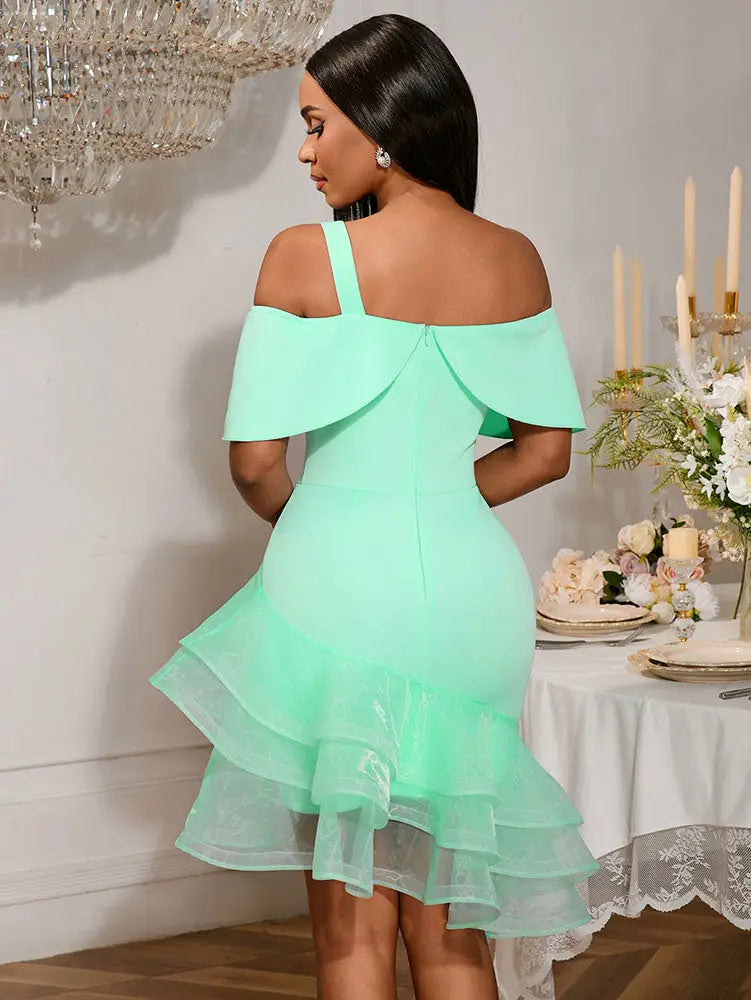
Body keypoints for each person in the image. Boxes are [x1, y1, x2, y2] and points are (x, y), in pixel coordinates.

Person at [150, 13, 598, 1000]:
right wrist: (430, 502)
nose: (305, 152)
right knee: (450, 926)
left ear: (383, 123)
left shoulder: (302, 256)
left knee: (351, 927)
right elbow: (545, 453)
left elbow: (255, 465)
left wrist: (327, 519)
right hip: (473, 605)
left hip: (338, 597)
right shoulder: (514, 257)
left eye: (317, 124)